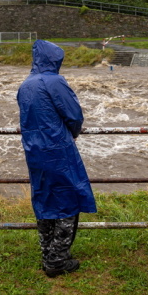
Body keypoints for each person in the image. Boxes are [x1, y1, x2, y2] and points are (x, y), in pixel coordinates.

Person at [17, 40, 97, 278]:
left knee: (45, 198)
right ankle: (57, 260)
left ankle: (47, 254)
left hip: (34, 151)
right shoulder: (54, 81)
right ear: (54, 60)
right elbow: (73, 115)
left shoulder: (25, 85)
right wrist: (72, 133)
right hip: (58, 149)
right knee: (68, 200)